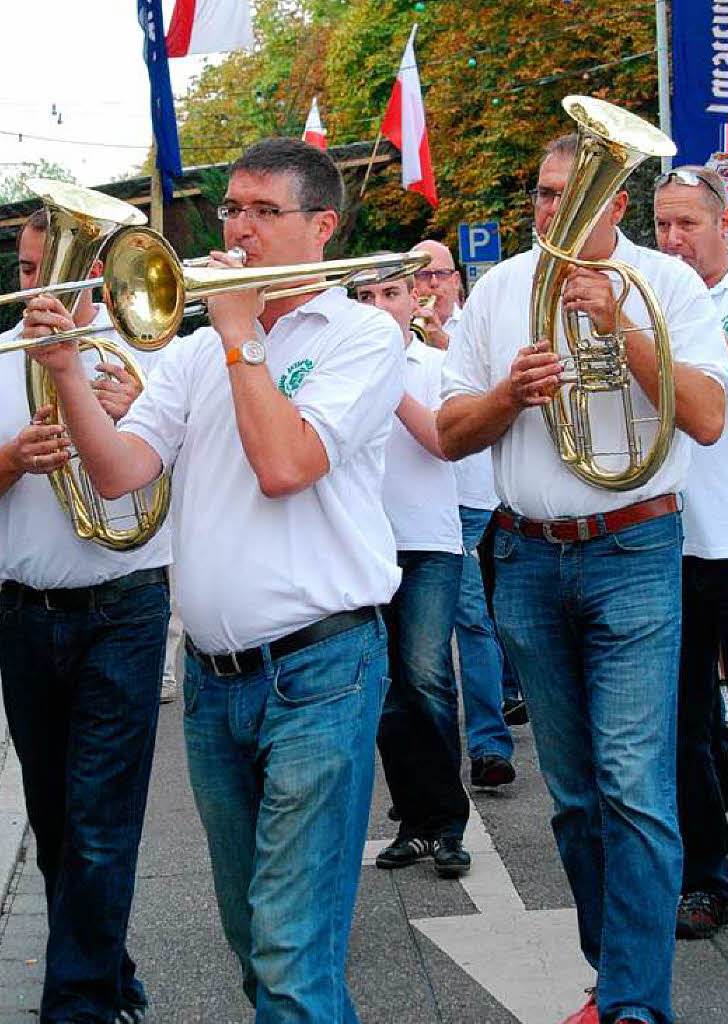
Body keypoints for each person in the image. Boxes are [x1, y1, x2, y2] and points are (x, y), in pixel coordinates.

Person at [25, 138, 403, 1024]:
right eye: (231, 209)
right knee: (252, 941)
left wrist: (241, 336)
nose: (237, 229)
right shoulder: (194, 355)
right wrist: (68, 372)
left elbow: (284, 463)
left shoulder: (365, 336)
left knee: (290, 954)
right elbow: (120, 471)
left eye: (262, 212)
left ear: (322, 227)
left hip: (323, 671)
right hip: (214, 681)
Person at [438, 132, 728, 1024]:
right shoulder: (495, 292)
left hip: (636, 550)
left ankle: (637, 1004)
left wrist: (620, 328)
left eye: (574, 194)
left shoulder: (667, 283)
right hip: (526, 554)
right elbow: (451, 432)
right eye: (541, 193)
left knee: (634, 783)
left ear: (615, 203)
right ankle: (614, 978)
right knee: (572, 797)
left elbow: (710, 417)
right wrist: (505, 397)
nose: (550, 211)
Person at [0, 209, 172, 1024]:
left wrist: (134, 412)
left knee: (101, 821)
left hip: (125, 608)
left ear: (101, 273)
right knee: (55, 821)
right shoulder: (1, 357)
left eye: (56, 269)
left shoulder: (149, 354)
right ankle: (107, 975)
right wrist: (8, 462)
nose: (40, 287)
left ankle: (75, 1007)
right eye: (31, 270)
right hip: (24, 614)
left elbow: (193, 481)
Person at [654, 165, 728, 950]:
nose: (671, 240)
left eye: (687, 224)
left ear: (723, 223)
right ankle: (704, 879)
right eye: (660, 226)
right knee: (687, 727)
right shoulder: (649, 292)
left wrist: (697, 331)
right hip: (665, 541)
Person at [355, 267, 470, 878]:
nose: (377, 305)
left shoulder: (435, 366)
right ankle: (413, 821)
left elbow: (441, 441)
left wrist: (387, 381)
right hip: (363, 544)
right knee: (386, 694)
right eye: (366, 296)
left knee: (425, 678)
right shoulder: (339, 363)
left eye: (389, 294)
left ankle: (448, 821)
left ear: (412, 301)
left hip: (428, 542)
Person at [415, 238, 516, 787]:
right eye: (421, 279)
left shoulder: (477, 322)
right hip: (418, 501)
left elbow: (498, 386)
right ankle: (448, 747)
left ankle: (487, 743)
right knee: (444, 624)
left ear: (456, 279)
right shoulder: (390, 332)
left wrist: (440, 341)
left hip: (472, 494)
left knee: (471, 617)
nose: (431, 288)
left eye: (439, 276)